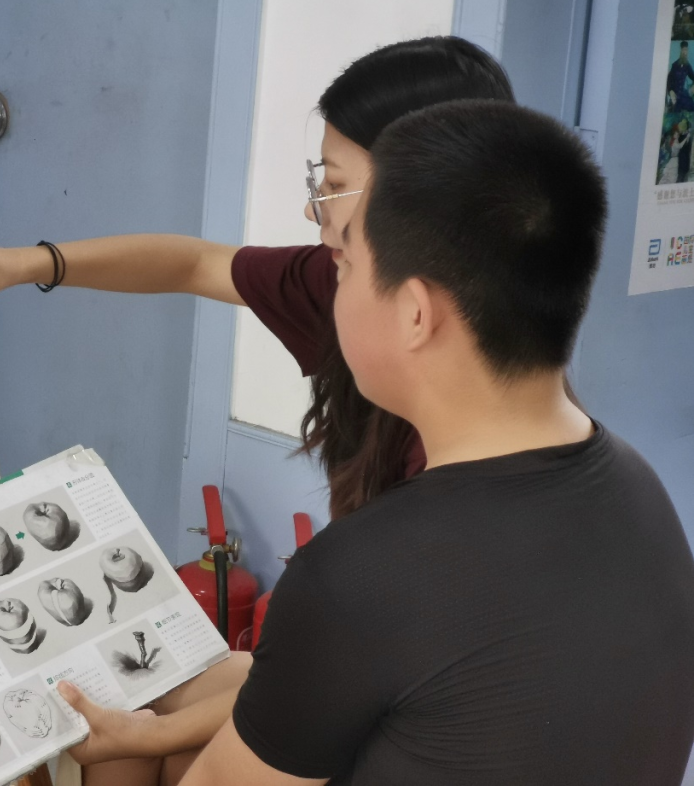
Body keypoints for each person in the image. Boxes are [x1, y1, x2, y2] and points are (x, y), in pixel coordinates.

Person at [83, 100, 694, 784]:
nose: (333, 285)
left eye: (345, 265)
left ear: (414, 313)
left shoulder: (363, 575)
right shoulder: (643, 492)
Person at [0, 36, 515, 523]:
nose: (313, 212)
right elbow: (193, 263)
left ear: (420, 195)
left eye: (333, 185)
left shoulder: (473, 470)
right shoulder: (339, 281)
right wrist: (17, 264)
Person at [668, 41, 694, 113]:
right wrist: (671, 91)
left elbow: (693, 76)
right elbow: (669, 80)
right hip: (675, 96)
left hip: (683, 94)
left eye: (686, 50)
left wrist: (692, 88)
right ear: (681, 51)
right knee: (675, 113)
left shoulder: (687, 66)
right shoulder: (674, 65)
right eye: (683, 50)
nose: (685, 52)